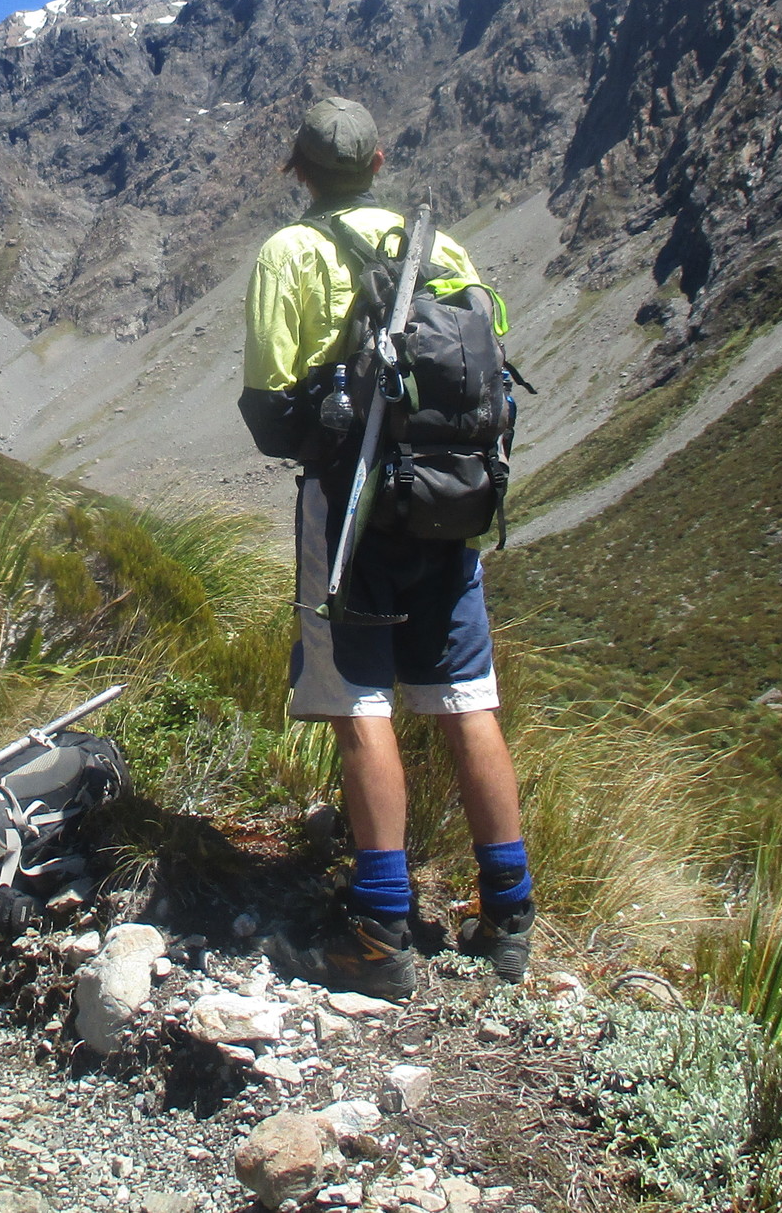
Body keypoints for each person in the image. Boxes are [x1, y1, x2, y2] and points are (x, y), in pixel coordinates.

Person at [240, 97, 533, 998]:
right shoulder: (441, 247)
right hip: (447, 507)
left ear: (299, 172)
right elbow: (491, 356)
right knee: (465, 698)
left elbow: (267, 408)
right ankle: (510, 918)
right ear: (377, 160)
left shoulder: (289, 253)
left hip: (350, 506)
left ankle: (378, 931)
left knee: (358, 699)